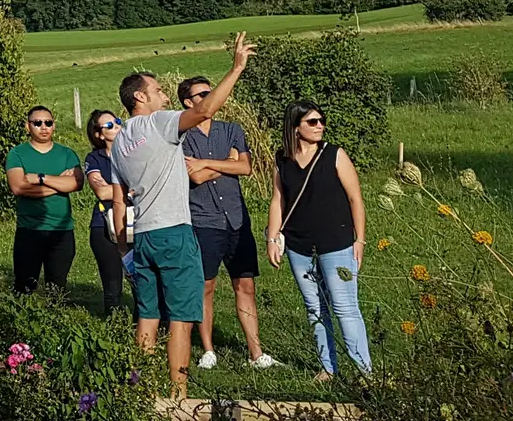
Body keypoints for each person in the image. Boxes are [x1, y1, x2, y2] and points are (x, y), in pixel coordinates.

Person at [111, 31, 254, 398]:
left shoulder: (120, 142)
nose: (163, 94)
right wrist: (236, 68)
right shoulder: (156, 123)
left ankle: (142, 390)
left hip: (142, 235)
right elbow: (205, 110)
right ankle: (178, 395)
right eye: (157, 89)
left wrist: (122, 245)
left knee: (147, 316)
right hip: (174, 232)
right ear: (140, 96)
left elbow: (119, 199)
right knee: (181, 318)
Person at [266, 100, 372, 380]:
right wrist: (272, 238)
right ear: (295, 127)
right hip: (299, 246)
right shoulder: (282, 159)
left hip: (336, 243)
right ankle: (328, 367)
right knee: (314, 307)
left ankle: (365, 370)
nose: (320, 126)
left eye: (321, 120)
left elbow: (355, 199)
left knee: (345, 307)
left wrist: (359, 240)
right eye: (312, 122)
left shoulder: (334, 155)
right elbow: (278, 199)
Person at [178, 76, 277, 371]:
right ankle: (208, 349)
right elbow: (192, 176)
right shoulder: (182, 135)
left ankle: (256, 352)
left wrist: (207, 163)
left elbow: (245, 166)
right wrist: (226, 162)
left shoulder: (232, 129)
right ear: (189, 102)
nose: (213, 96)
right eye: (205, 93)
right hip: (203, 220)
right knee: (206, 286)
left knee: (245, 285)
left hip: (237, 219)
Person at [5, 105, 81, 294]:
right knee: (24, 286)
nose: (44, 127)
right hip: (29, 230)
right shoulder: (17, 154)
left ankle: (54, 322)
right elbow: (18, 187)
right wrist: (59, 184)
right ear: (27, 126)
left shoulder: (67, 154)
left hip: (62, 230)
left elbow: (77, 183)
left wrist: (41, 178)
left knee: (57, 287)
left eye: (48, 122)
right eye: (37, 123)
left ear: (54, 125)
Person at [82, 110, 129, 314]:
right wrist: (132, 190)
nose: (116, 126)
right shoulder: (95, 158)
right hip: (104, 224)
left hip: (136, 222)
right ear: (99, 135)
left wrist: (115, 190)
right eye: (109, 125)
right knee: (112, 285)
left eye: (117, 122)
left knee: (142, 282)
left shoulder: (134, 154)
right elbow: (101, 191)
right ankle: (114, 328)